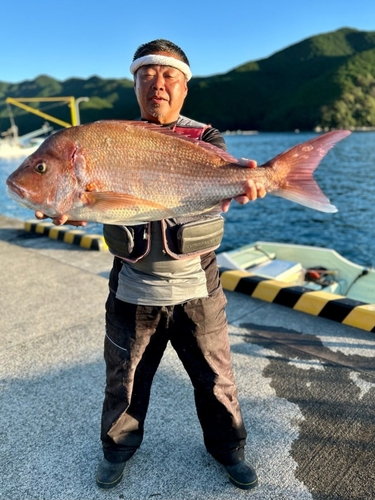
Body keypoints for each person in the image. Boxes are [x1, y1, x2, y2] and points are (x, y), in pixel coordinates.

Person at [36, 39, 266, 491]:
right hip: (133, 289)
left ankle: (228, 451)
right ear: (135, 84)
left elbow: (224, 176)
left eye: (168, 76)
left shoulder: (206, 139)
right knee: (123, 382)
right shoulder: (107, 139)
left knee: (217, 379)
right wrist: (65, 203)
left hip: (197, 285)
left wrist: (252, 181)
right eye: (146, 75)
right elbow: (95, 203)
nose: (156, 84)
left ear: (184, 87)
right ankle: (117, 452)